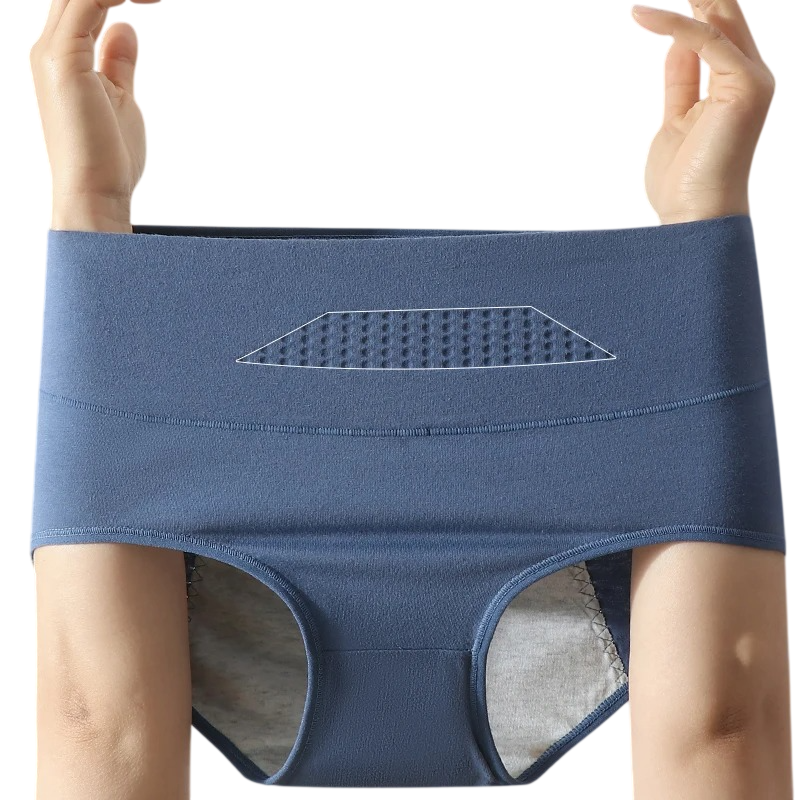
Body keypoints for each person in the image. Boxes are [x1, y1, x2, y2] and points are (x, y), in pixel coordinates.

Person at [28, 1, 791, 799]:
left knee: (722, 724)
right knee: (92, 722)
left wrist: (92, 205)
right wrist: (88, 201)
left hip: (610, 379)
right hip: (186, 382)